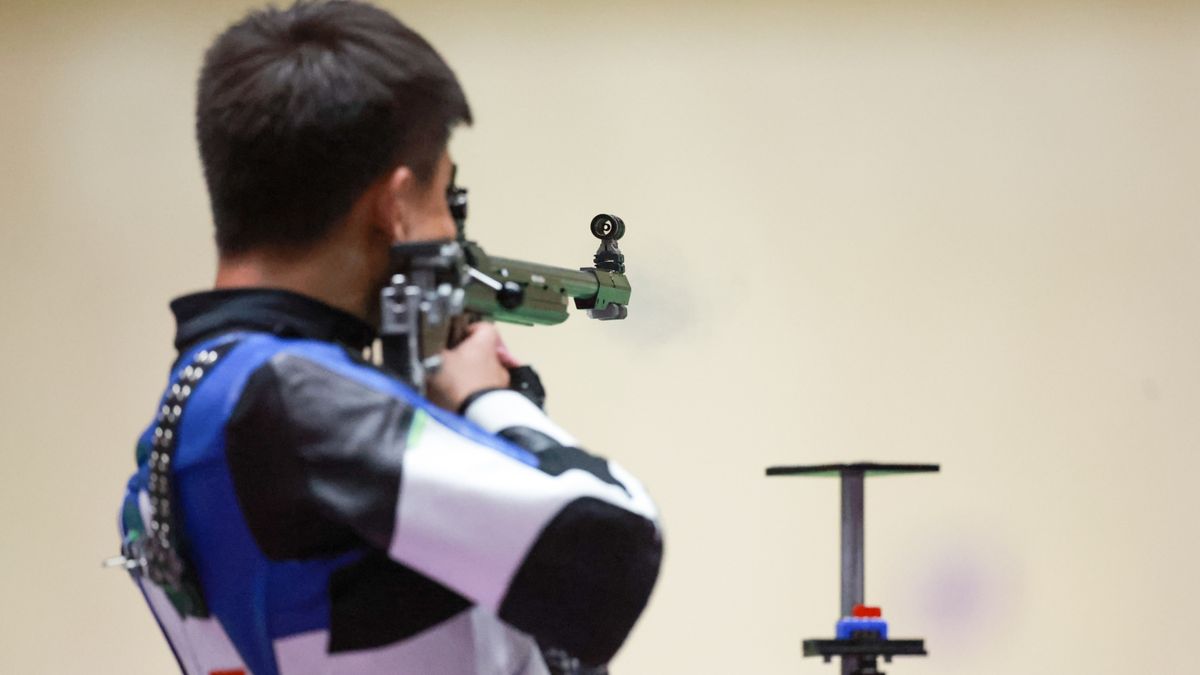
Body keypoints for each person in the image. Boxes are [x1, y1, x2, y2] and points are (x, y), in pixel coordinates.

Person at [115, 2, 663, 674]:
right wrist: (492, 401)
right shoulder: (287, 401)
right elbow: (616, 547)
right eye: (444, 200)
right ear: (395, 205)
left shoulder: (197, 412)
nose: (448, 235)